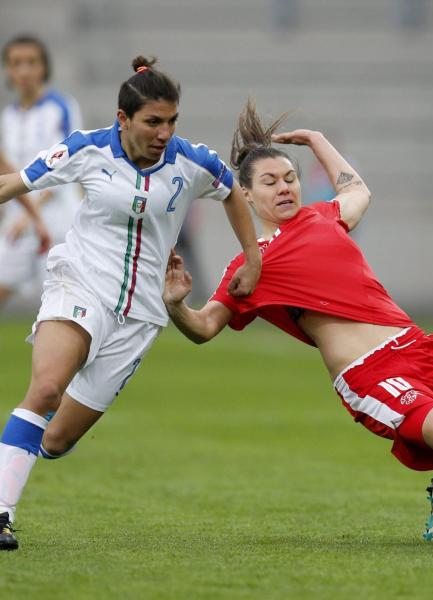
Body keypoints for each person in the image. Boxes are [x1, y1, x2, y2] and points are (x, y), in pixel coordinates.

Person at [163, 99, 433, 552]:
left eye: (290, 178)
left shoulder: (323, 216)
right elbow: (203, 327)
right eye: (270, 182)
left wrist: (318, 141)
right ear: (245, 195)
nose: (284, 188)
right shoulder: (249, 265)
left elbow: (358, 190)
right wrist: (177, 306)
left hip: (417, 346)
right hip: (368, 372)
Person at [0, 56, 262, 551]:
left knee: (55, 440)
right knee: (48, 387)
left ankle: (7, 457)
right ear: (124, 119)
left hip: (141, 314)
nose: (165, 132)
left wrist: (252, 258)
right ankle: (1, 511)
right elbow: (14, 183)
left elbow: (232, 193)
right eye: (153, 121)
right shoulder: (87, 150)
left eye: (172, 120)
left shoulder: (192, 161)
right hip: (79, 285)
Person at [0, 35, 83, 311]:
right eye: (16, 63)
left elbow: (65, 167)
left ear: (44, 67)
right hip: (16, 226)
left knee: (60, 306)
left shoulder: (60, 107)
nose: (24, 71)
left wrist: (28, 214)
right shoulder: (8, 117)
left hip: (58, 222)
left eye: (31, 62)